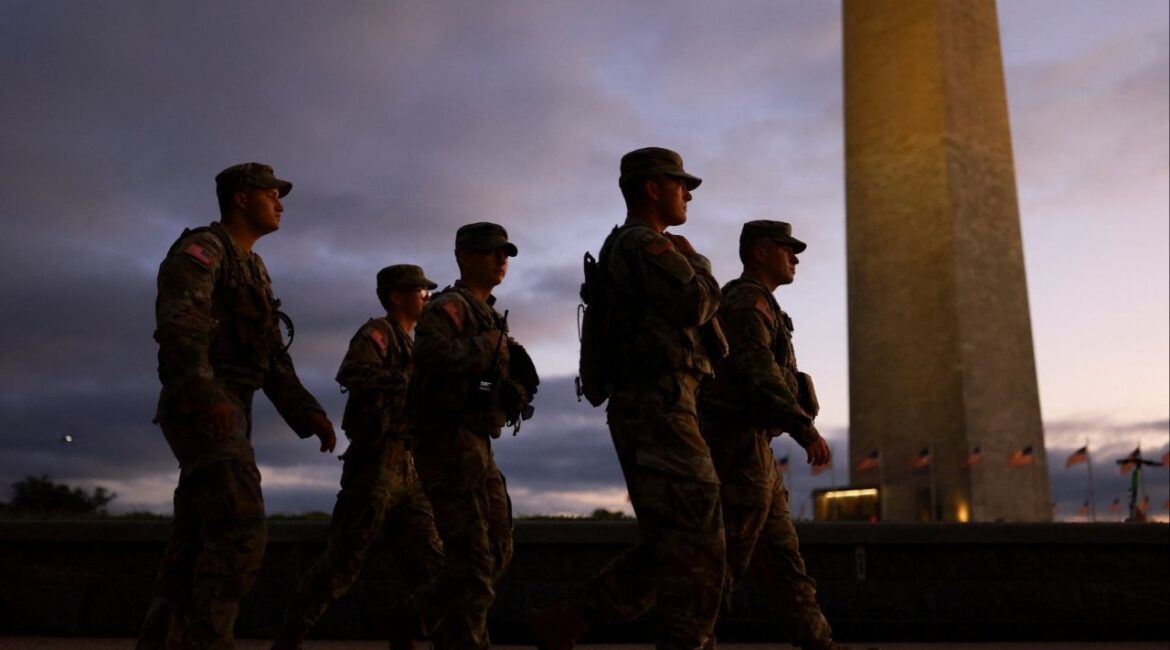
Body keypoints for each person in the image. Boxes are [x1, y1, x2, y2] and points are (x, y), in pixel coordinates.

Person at [529, 147, 746, 650]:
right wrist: (698, 263)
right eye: (679, 183)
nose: (688, 193)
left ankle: (569, 619)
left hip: (665, 403)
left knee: (678, 538)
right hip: (657, 404)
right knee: (699, 542)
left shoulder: (636, 246)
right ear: (652, 188)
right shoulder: (643, 244)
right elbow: (694, 301)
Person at [138, 162, 337, 650]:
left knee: (193, 539)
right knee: (240, 527)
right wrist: (207, 396)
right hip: (201, 402)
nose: (281, 202)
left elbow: (269, 352)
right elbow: (181, 328)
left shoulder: (253, 268)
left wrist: (306, 412)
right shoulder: (202, 251)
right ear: (242, 198)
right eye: (272, 193)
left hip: (232, 405)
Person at [272, 265, 445, 650]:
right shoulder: (378, 333)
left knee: (432, 563)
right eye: (420, 292)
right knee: (343, 561)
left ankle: (406, 629)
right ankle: (290, 636)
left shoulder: (418, 343)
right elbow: (352, 373)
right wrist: (408, 379)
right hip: (376, 463)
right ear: (397, 296)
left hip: (410, 464)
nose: (426, 298)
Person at [699, 220, 848, 650]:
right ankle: (690, 638)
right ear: (760, 253)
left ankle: (818, 641)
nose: (796, 258)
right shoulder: (746, 302)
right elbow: (758, 374)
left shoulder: (764, 305)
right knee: (721, 557)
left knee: (783, 558)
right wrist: (804, 428)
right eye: (787, 249)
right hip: (736, 446)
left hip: (755, 447)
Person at [409, 222, 537, 650]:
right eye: (490, 252)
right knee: (473, 564)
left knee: (498, 548)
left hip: (477, 442)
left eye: (505, 253)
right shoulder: (449, 307)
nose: (501, 260)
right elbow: (428, 353)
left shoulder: (489, 314)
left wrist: (511, 389)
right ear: (464, 257)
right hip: (446, 441)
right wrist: (487, 345)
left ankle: (413, 615)